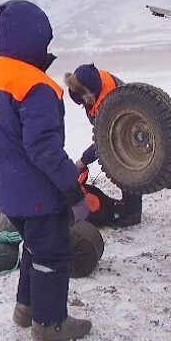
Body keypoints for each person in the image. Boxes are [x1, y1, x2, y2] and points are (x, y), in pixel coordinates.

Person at [0, 0, 91, 341]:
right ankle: (50, 323)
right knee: (53, 251)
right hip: (38, 190)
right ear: (36, 37)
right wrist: (71, 189)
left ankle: (25, 309)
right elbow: (44, 149)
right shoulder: (36, 85)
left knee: (33, 247)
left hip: (6, 186)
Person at [64, 64, 142, 227]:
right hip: (117, 129)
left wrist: (83, 161)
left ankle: (132, 213)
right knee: (116, 160)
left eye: (84, 103)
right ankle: (127, 204)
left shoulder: (112, 104)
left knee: (123, 163)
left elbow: (105, 141)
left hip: (130, 131)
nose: (83, 107)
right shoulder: (92, 81)